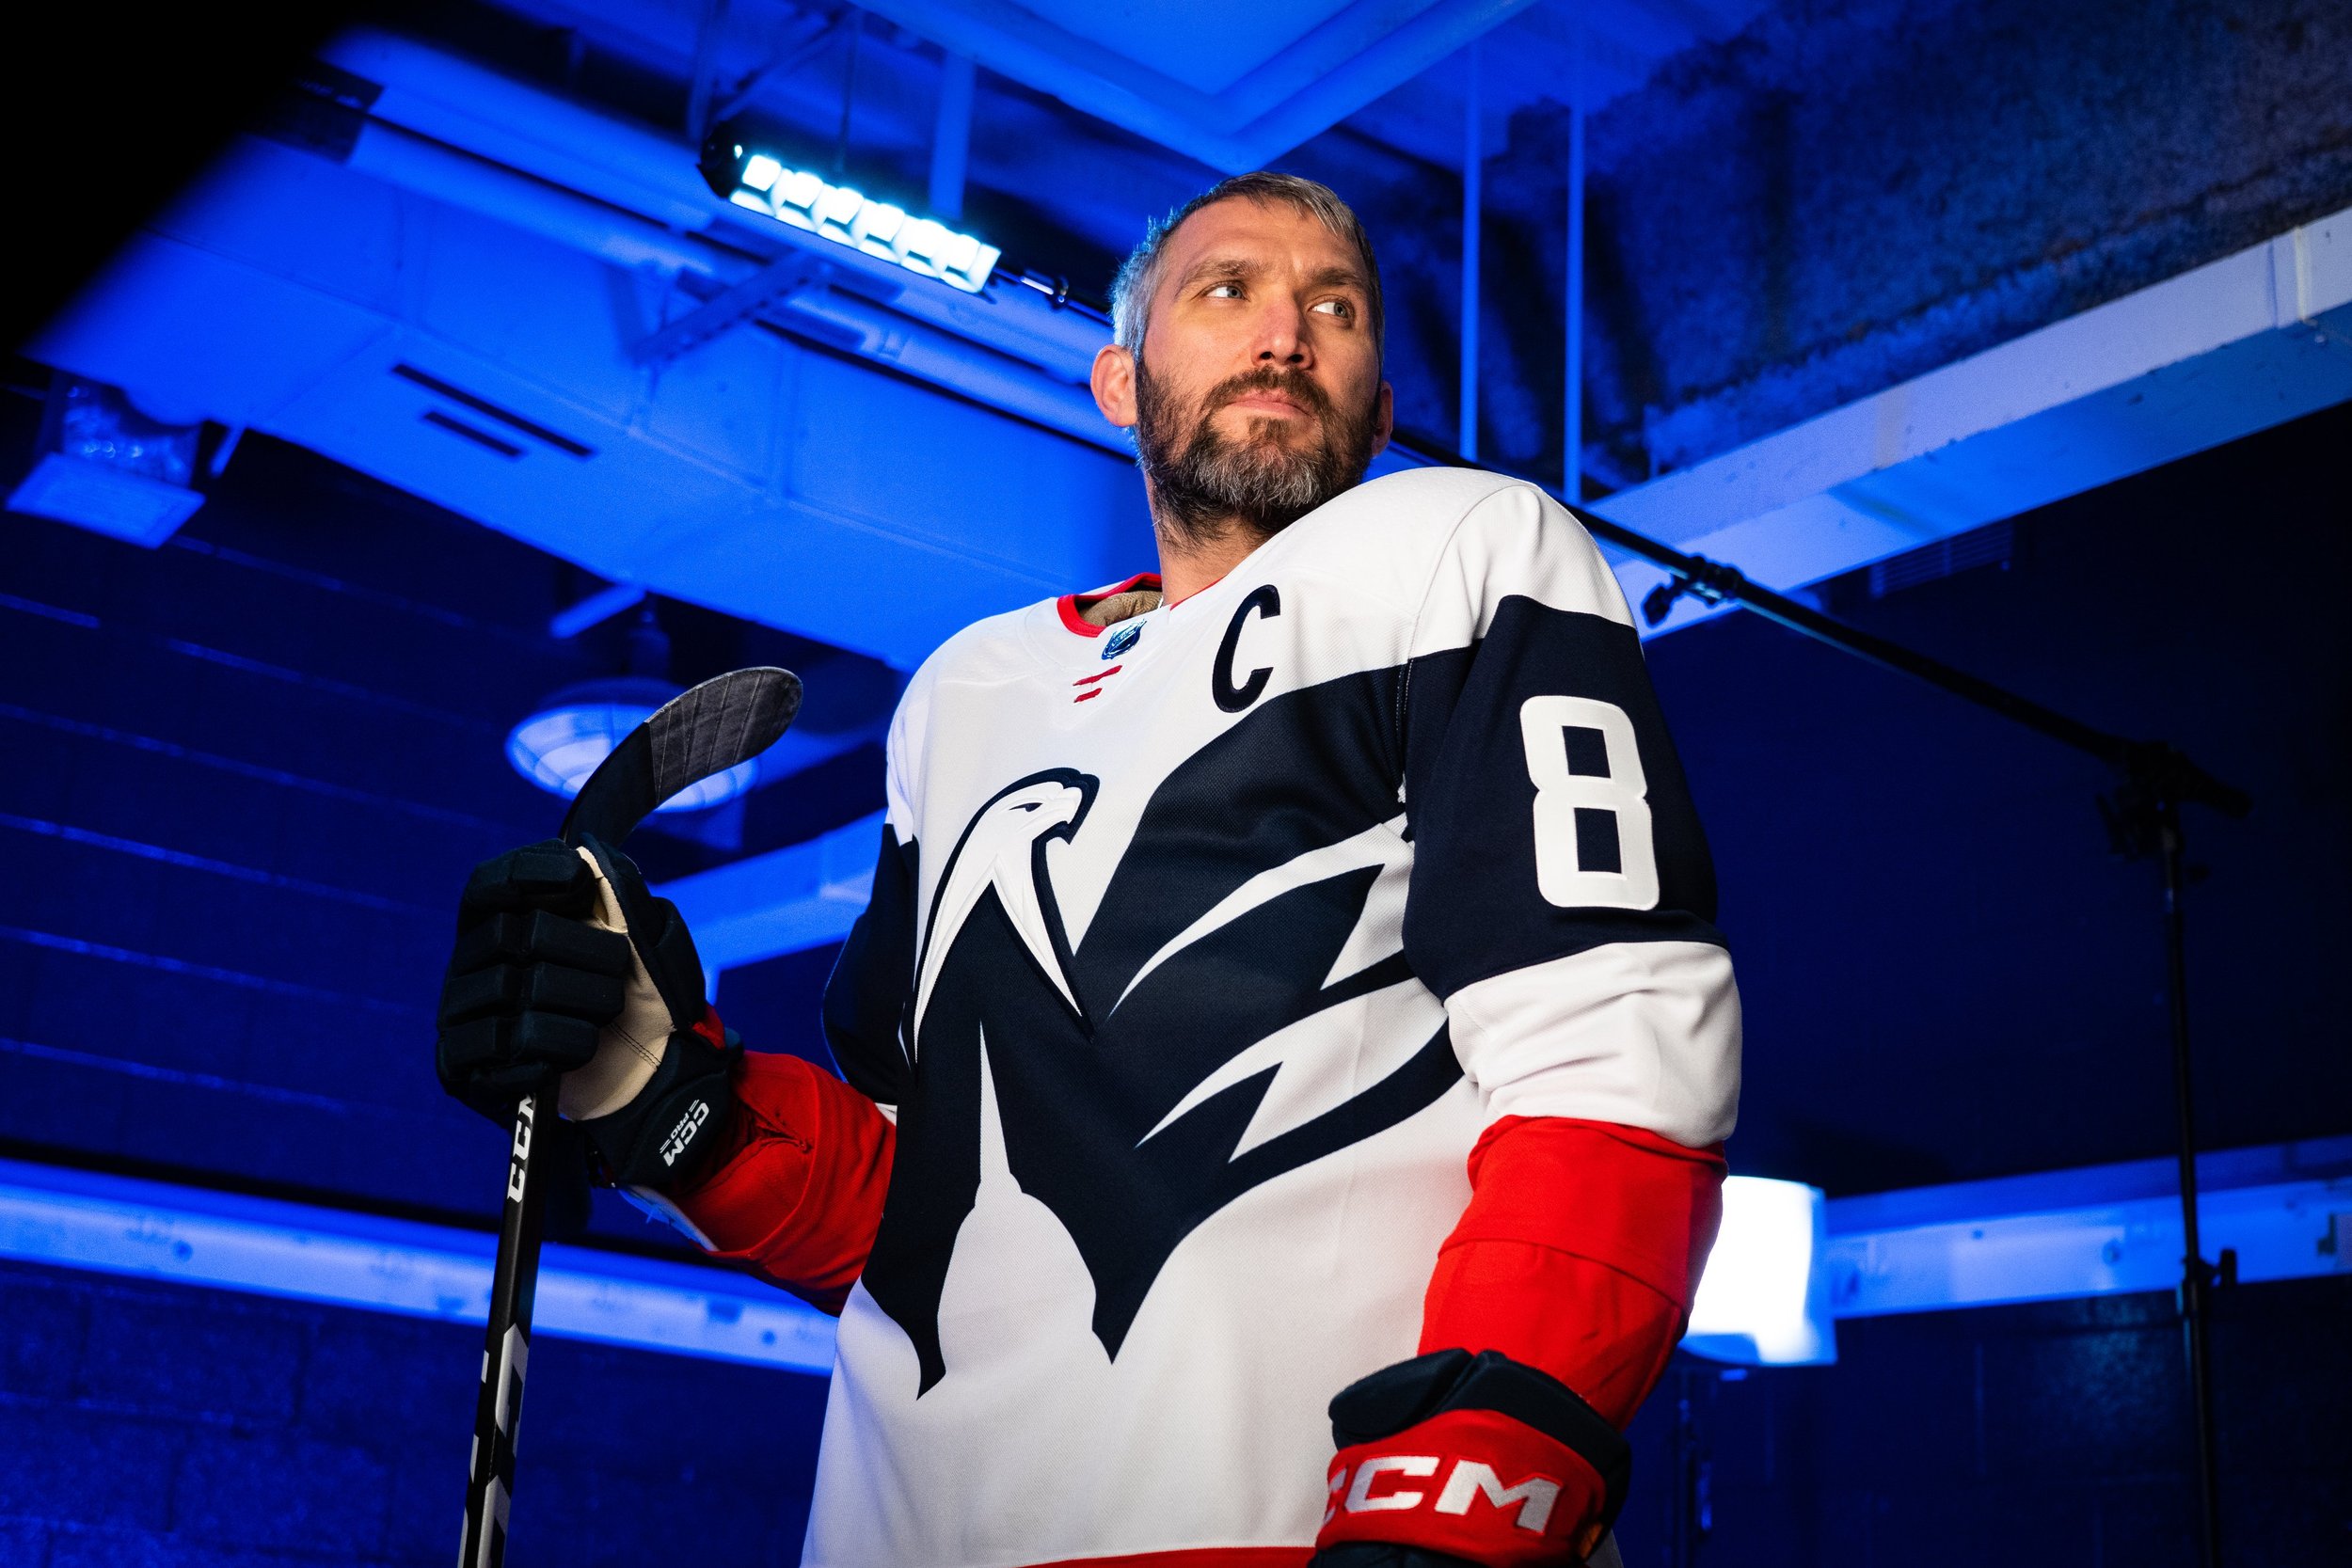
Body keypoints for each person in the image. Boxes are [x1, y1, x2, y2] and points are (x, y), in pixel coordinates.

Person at [437, 172, 1740, 1568]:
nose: (1286, 331)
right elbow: (921, 1206)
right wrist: (661, 1099)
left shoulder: (1459, 547)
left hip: (1307, 1537)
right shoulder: (964, 691)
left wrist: (1472, 1488)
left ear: (1379, 404)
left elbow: (1616, 1066)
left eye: (1335, 307)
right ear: (1123, 379)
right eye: (1225, 289)